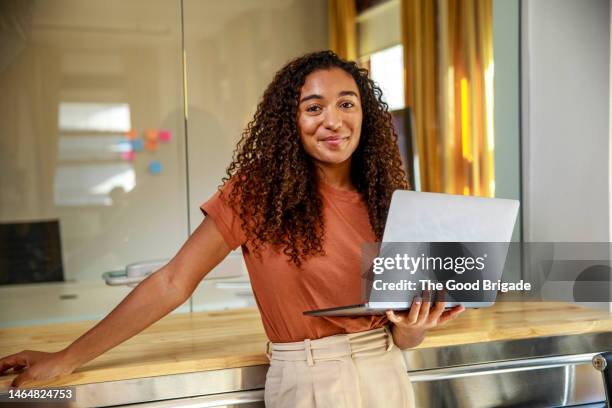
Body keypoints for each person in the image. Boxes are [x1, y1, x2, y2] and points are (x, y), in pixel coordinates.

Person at [0, 51, 464, 407]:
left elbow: (400, 333)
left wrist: (414, 328)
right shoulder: (258, 192)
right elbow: (172, 281)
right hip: (309, 383)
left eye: (347, 103)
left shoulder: (388, 201)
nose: (333, 120)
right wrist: (66, 357)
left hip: (388, 375)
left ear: (364, 114)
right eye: (313, 107)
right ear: (291, 120)